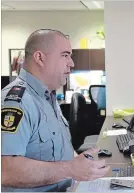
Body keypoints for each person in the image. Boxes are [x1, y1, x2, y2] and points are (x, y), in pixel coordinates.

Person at [1, 29, 110, 192]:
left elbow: (57, 149)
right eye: (65, 55)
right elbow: (5, 171)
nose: (71, 63)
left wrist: (81, 164)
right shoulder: (17, 102)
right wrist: (70, 169)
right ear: (40, 58)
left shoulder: (47, 96)